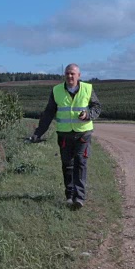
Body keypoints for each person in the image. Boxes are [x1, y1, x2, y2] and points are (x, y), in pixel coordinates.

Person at [29, 63, 101, 208]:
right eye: (67, 73)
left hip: (83, 133)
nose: (70, 76)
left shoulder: (88, 89)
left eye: (72, 74)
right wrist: (38, 133)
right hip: (64, 134)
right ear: (64, 75)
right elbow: (48, 113)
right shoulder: (56, 91)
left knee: (80, 163)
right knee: (67, 165)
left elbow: (97, 107)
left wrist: (88, 115)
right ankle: (69, 195)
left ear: (79, 76)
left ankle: (79, 198)